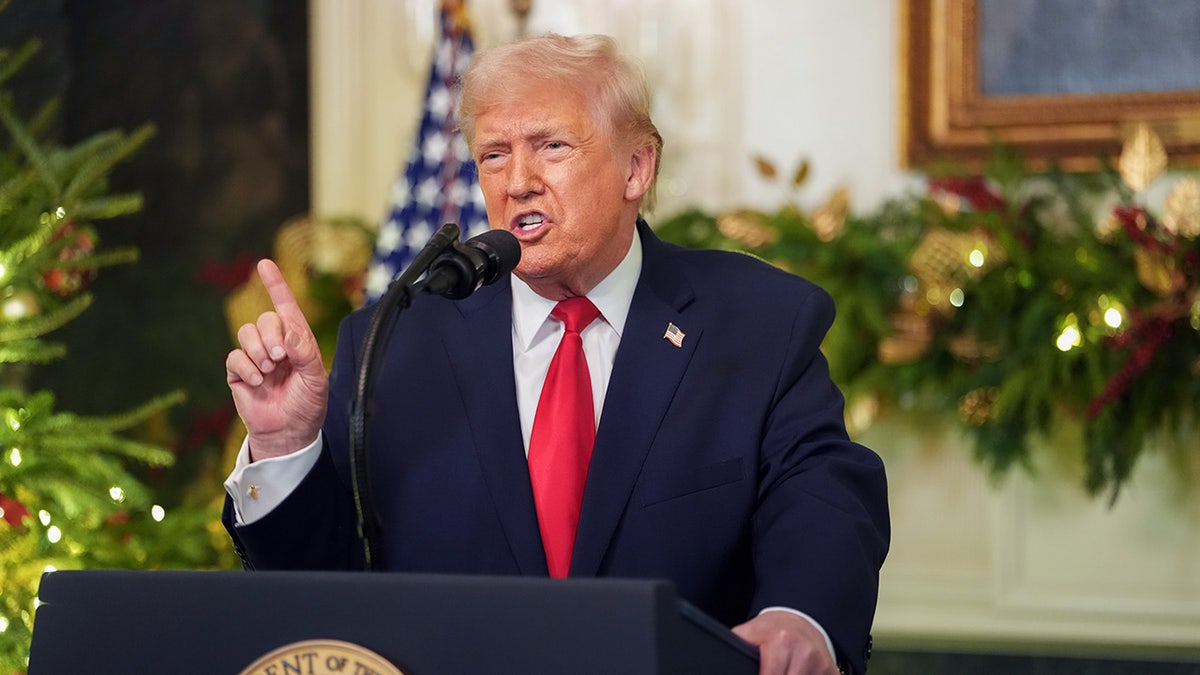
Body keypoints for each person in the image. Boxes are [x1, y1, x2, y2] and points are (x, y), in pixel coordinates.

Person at [224, 33, 889, 675]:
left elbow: (825, 496)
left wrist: (799, 615)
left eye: (551, 146)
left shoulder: (758, 321)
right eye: (493, 155)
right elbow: (323, 587)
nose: (518, 182)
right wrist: (284, 447)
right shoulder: (395, 337)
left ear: (637, 167)